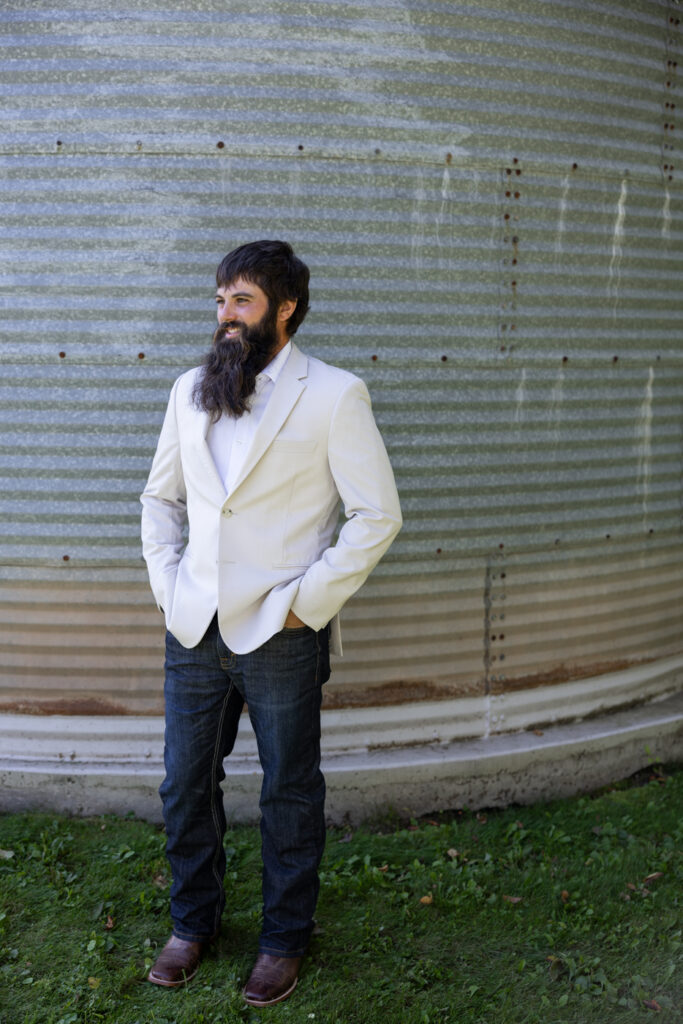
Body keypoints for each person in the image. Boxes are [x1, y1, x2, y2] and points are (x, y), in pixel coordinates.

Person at [140, 240, 402, 1007]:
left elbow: (376, 515)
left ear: (285, 308)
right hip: (194, 628)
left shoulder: (334, 394)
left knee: (289, 791)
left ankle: (283, 939)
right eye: (220, 299)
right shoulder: (190, 388)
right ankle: (191, 925)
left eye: (242, 300)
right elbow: (161, 498)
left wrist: (303, 604)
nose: (226, 314)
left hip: (283, 633)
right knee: (184, 785)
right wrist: (168, 587)